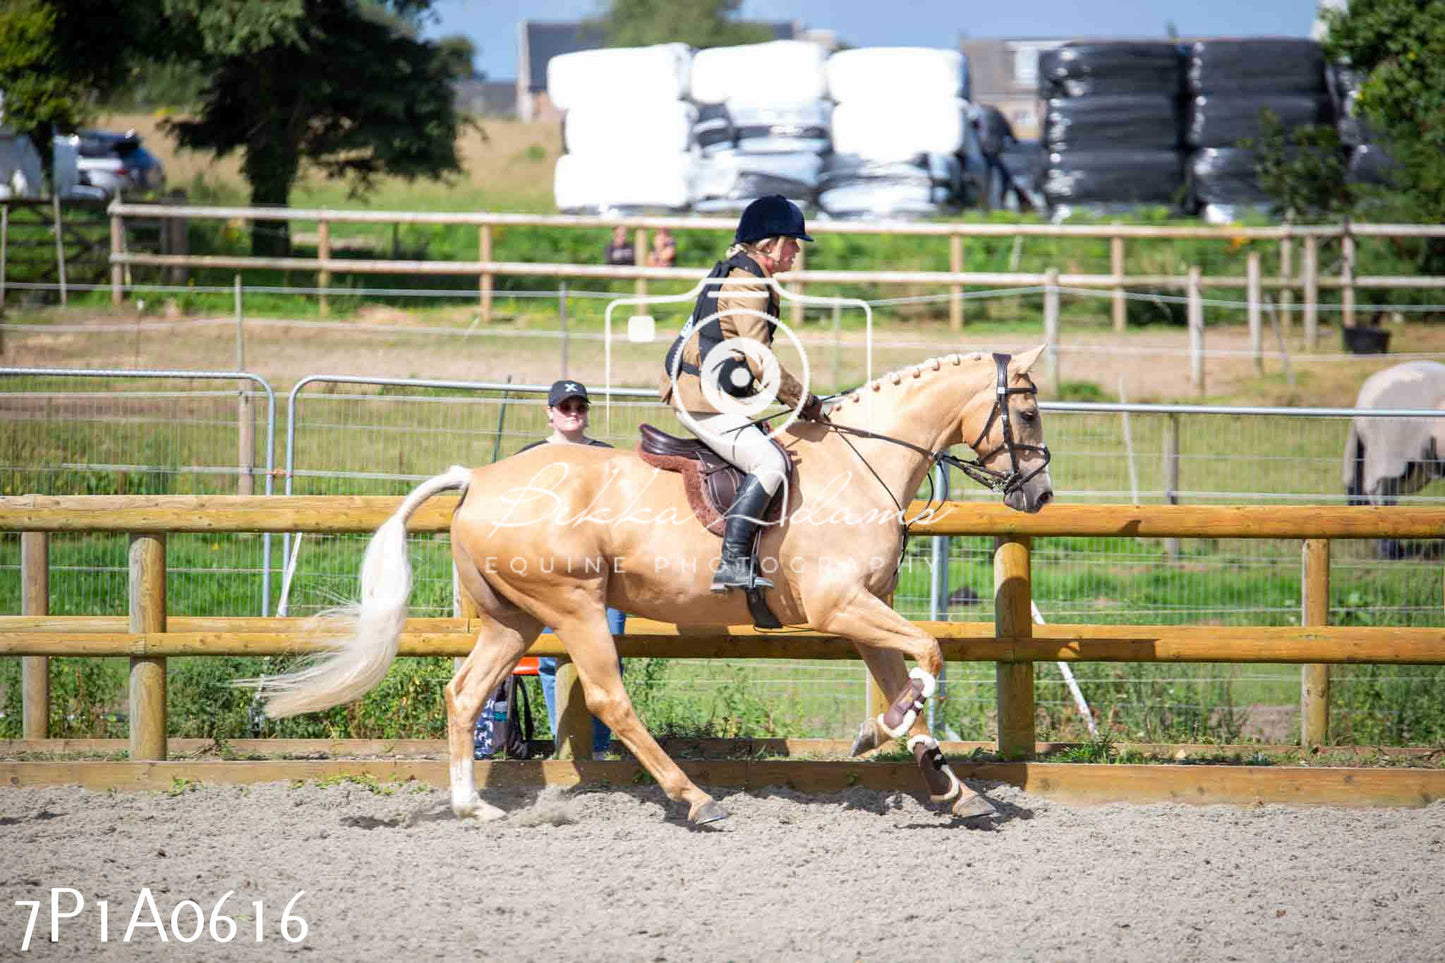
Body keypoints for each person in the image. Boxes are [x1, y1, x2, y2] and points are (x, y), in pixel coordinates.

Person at [658, 194, 824, 593]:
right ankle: (732, 562)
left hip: (709, 393)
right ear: (769, 244)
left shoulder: (742, 273)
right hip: (701, 401)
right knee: (770, 463)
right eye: (792, 242)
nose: (797, 250)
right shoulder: (747, 282)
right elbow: (758, 358)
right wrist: (801, 399)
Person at [473, 379, 625, 759]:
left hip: (602, 575)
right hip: (547, 574)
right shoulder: (531, 457)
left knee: (608, 656)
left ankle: (600, 745)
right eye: (565, 407)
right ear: (550, 413)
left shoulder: (607, 456)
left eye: (580, 407)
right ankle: (566, 745)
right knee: (550, 657)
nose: (573, 413)